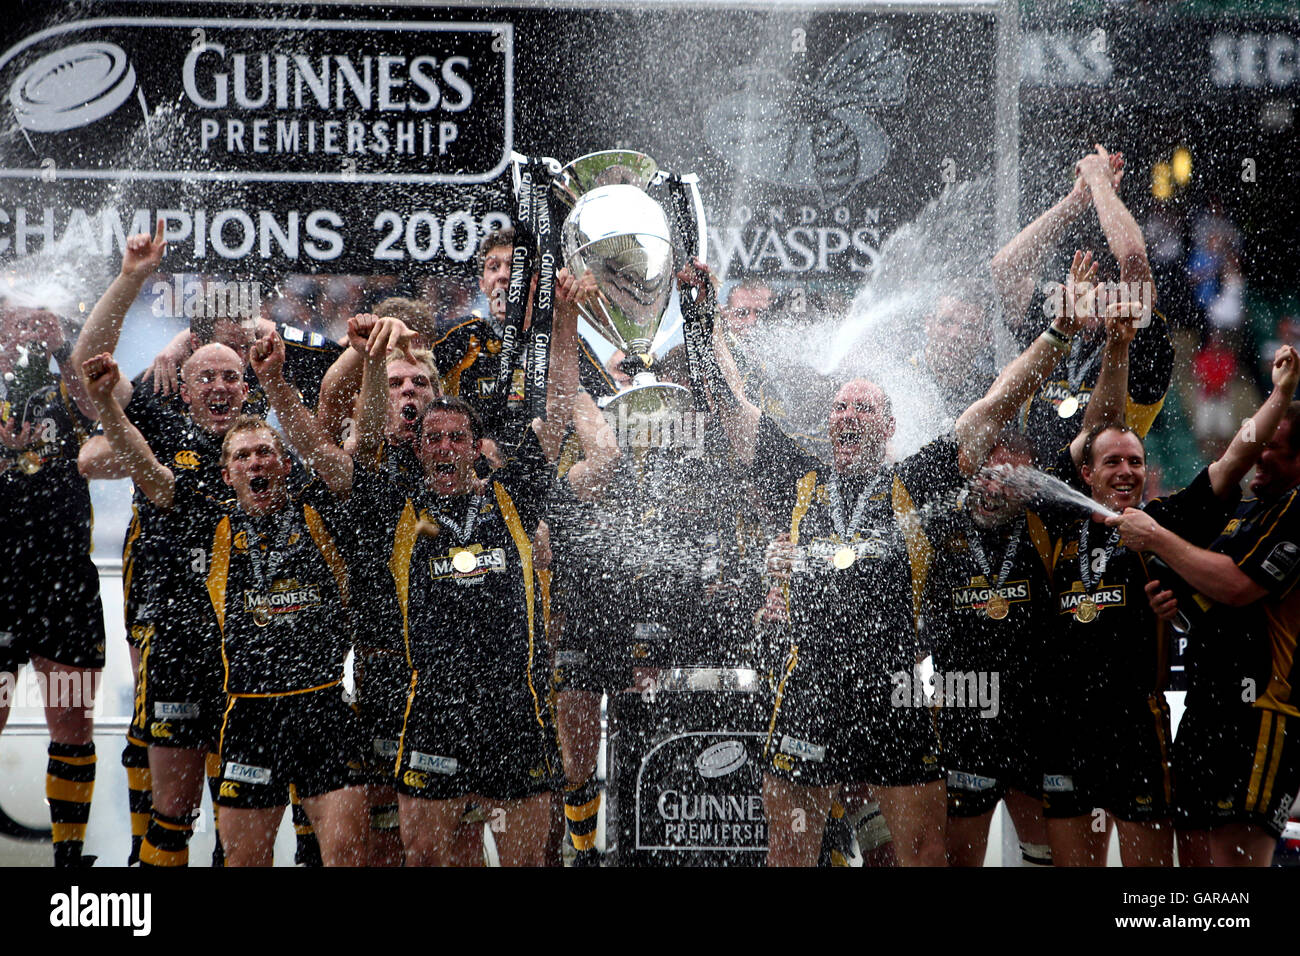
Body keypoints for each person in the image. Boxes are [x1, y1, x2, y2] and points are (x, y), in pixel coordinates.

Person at [709, 248, 1098, 866]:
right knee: (788, 854)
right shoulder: (799, 476)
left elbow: (994, 406)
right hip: (811, 679)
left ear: (889, 426)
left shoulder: (916, 483)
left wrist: (1060, 333)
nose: (850, 415)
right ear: (827, 421)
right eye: (841, 406)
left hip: (897, 687)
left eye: (866, 407)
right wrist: (703, 319)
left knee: (920, 853)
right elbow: (730, 408)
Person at [1040, 344, 1299, 866]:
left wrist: (1279, 396)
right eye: (1111, 461)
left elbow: (1233, 460)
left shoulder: (1162, 519)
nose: (1126, 471)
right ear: (1085, 475)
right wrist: (1116, 345)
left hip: (1139, 729)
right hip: (1067, 729)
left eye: (1136, 461)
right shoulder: (1057, 530)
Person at [0, 301, 104, 867]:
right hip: (1, 580)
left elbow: (102, 414)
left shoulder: (65, 375)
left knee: (72, 719)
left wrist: (63, 348)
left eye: (39, 318)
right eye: (16, 318)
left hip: (64, 574)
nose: (28, 327)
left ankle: (70, 858)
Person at [992, 145, 1173, 462]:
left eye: (1105, 289)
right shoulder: (1058, 321)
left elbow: (1132, 257)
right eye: (1082, 281)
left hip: (1099, 495)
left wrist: (1100, 182)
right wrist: (1076, 201)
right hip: (1032, 501)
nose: (1091, 296)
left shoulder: (1139, 340)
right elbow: (1005, 271)